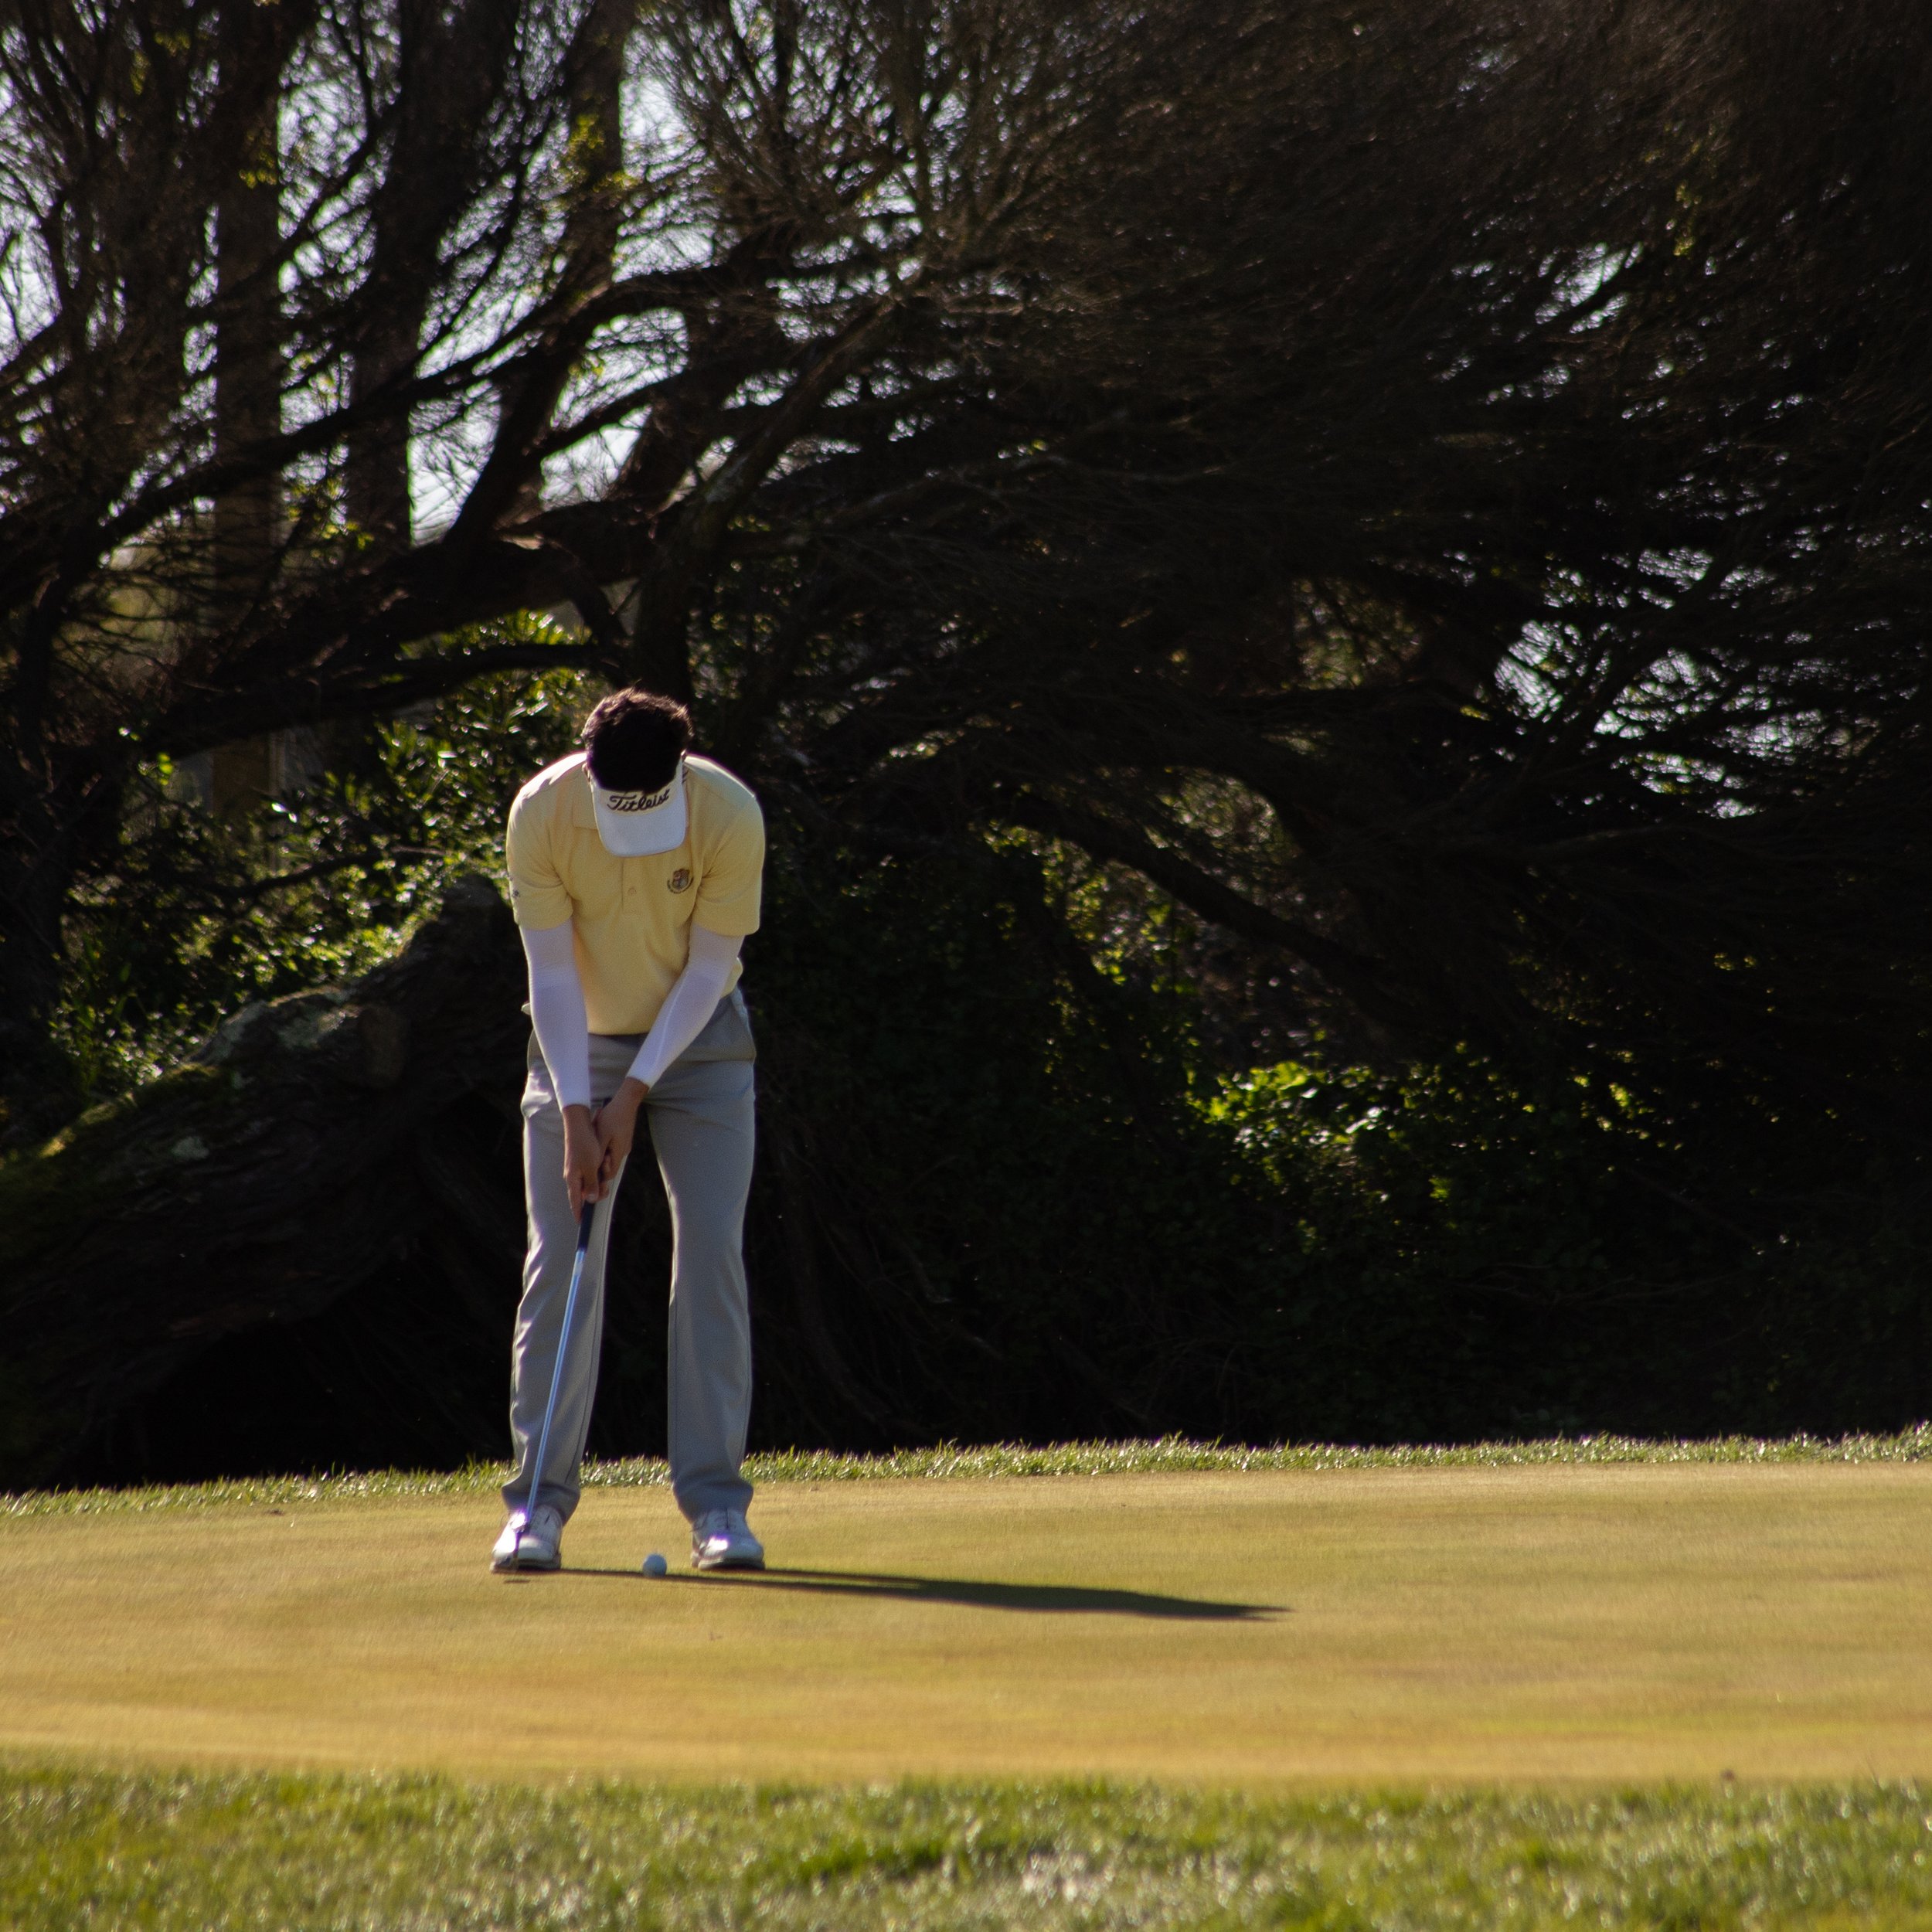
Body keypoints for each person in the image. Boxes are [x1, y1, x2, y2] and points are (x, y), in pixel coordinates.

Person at [491, 686, 766, 1574]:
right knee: (561, 1261)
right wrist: (578, 1108)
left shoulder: (728, 813)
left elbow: (710, 968)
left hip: (701, 1042)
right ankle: (536, 1507)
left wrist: (632, 1093)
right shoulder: (542, 812)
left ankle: (716, 1508)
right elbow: (550, 975)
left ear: (681, 771)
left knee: (712, 1254)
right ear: (589, 770)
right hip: (577, 1043)